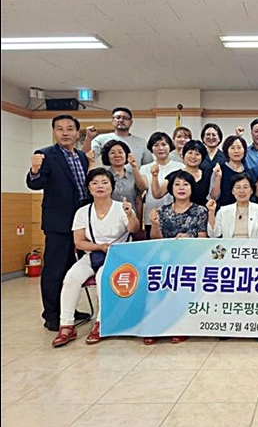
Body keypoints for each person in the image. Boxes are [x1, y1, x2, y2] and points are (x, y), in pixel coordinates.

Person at [51, 168, 140, 347]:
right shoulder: (82, 212)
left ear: (112, 187)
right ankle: (66, 325)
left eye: (104, 182)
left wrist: (130, 214)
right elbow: (79, 242)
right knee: (71, 278)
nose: (100, 186)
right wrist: (99, 247)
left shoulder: (121, 208)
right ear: (89, 188)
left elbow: (134, 229)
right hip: (93, 254)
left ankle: (101, 323)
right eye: (95, 183)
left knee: (102, 278)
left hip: (118, 256)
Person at [27, 114, 91, 332]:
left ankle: (68, 310)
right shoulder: (45, 155)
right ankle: (52, 315)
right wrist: (34, 170)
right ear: (54, 132)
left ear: (77, 133)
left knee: (72, 270)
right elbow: (36, 184)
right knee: (54, 270)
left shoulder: (81, 157)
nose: (65, 133)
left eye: (70, 128)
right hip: (59, 223)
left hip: (81, 222)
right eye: (60, 129)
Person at [207, 173, 258, 346]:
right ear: (232, 191)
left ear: (251, 190)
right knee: (230, 294)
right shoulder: (224, 210)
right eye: (238, 187)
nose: (242, 191)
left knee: (256, 295)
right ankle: (229, 326)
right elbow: (214, 234)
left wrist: (255, 258)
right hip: (229, 258)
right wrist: (211, 213)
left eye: (245, 187)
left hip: (254, 258)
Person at [146, 170, 208, 345]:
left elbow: (204, 239)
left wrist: (190, 238)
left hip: (191, 259)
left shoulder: (200, 211)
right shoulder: (162, 211)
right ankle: (154, 326)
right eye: (177, 184)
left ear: (192, 188)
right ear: (171, 189)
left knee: (182, 283)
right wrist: (155, 224)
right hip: (166, 259)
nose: (181, 188)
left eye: (186, 184)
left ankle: (180, 326)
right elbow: (155, 239)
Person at [138, 132, 183, 239]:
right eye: (156, 145)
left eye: (164, 144)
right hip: (152, 216)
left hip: (175, 216)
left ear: (170, 146)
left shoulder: (180, 167)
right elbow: (142, 189)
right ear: (151, 148)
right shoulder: (144, 168)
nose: (160, 148)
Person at [83, 107, 153, 167]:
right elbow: (85, 157)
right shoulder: (101, 139)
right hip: (109, 178)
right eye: (118, 117)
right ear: (112, 121)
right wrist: (88, 138)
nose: (121, 120)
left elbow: (148, 166)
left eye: (125, 118)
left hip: (135, 178)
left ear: (131, 122)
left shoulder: (141, 142)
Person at [152, 140, 212, 207]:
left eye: (197, 154)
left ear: (202, 157)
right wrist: (155, 176)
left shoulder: (208, 174)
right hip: (179, 212)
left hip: (203, 212)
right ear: (183, 155)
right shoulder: (175, 175)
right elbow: (157, 194)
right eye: (190, 153)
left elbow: (214, 196)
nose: (193, 157)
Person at [100, 140, 143, 219]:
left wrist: (138, 222)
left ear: (126, 155)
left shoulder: (134, 176)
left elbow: (138, 201)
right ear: (107, 156)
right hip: (110, 219)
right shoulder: (102, 177)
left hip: (131, 219)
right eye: (112, 153)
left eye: (120, 152)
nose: (117, 155)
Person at [209, 135, 247, 208]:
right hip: (224, 210)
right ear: (226, 151)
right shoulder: (219, 170)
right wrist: (218, 178)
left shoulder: (247, 171)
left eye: (239, 147)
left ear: (244, 150)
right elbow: (213, 197)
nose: (236, 151)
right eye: (232, 148)